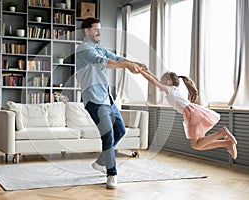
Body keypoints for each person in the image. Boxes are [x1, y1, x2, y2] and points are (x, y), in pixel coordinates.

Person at [76, 17, 145, 189]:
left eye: (100, 29)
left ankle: (101, 161)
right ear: (87, 31)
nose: (99, 32)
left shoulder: (99, 48)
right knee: (108, 135)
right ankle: (111, 173)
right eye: (96, 29)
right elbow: (104, 62)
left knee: (120, 130)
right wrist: (126, 66)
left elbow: (115, 57)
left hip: (107, 98)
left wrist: (134, 63)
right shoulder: (84, 49)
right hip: (94, 99)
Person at [140, 70, 238, 159]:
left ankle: (222, 134)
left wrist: (141, 71)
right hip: (192, 112)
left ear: (168, 82)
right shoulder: (173, 89)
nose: (160, 83)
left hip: (192, 114)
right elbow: (156, 80)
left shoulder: (170, 90)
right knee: (198, 145)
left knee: (196, 144)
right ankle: (226, 143)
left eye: (162, 81)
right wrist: (147, 71)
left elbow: (154, 81)